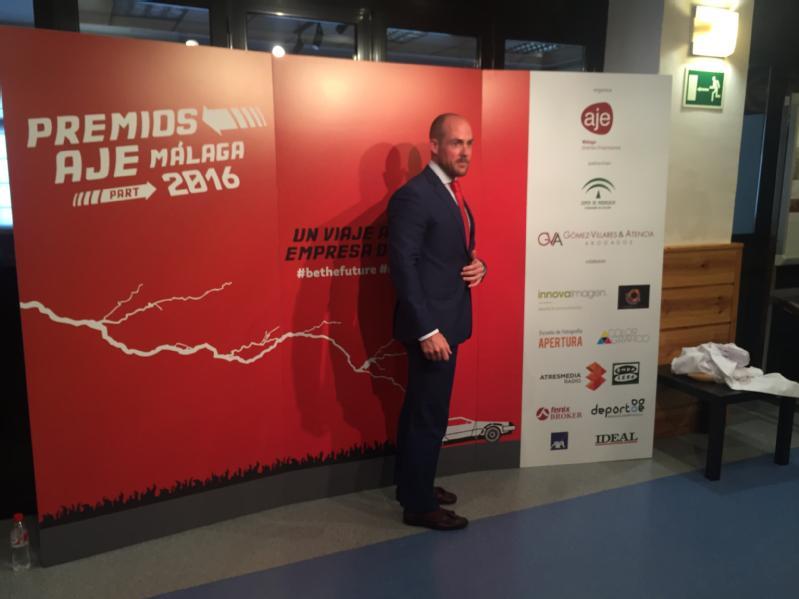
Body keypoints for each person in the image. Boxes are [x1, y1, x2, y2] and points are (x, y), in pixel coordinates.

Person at [388, 113, 486, 530]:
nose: (465, 152)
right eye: (456, 143)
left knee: (421, 410)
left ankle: (414, 485)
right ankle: (419, 506)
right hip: (432, 329)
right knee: (429, 415)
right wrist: (427, 330)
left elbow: (451, 254)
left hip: (448, 319)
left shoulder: (449, 191)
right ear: (433, 145)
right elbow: (403, 266)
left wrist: (479, 267)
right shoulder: (415, 195)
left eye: (469, 143)